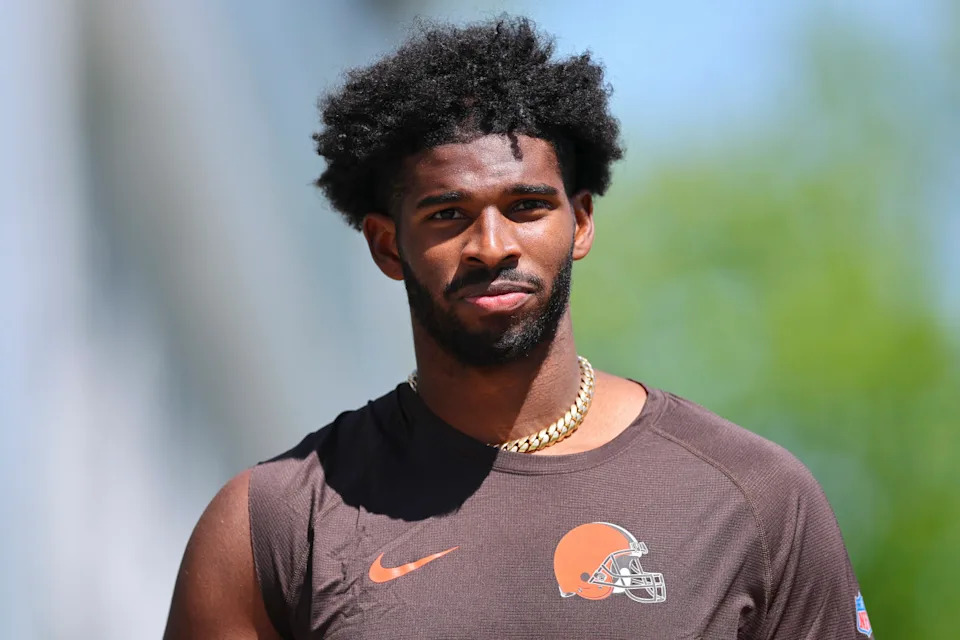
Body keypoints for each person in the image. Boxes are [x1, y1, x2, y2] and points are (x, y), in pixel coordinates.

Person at [164, 16, 874, 640]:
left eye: (527, 206)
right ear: (387, 245)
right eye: (448, 214)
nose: (492, 245)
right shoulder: (272, 527)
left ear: (581, 222)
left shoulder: (754, 497)